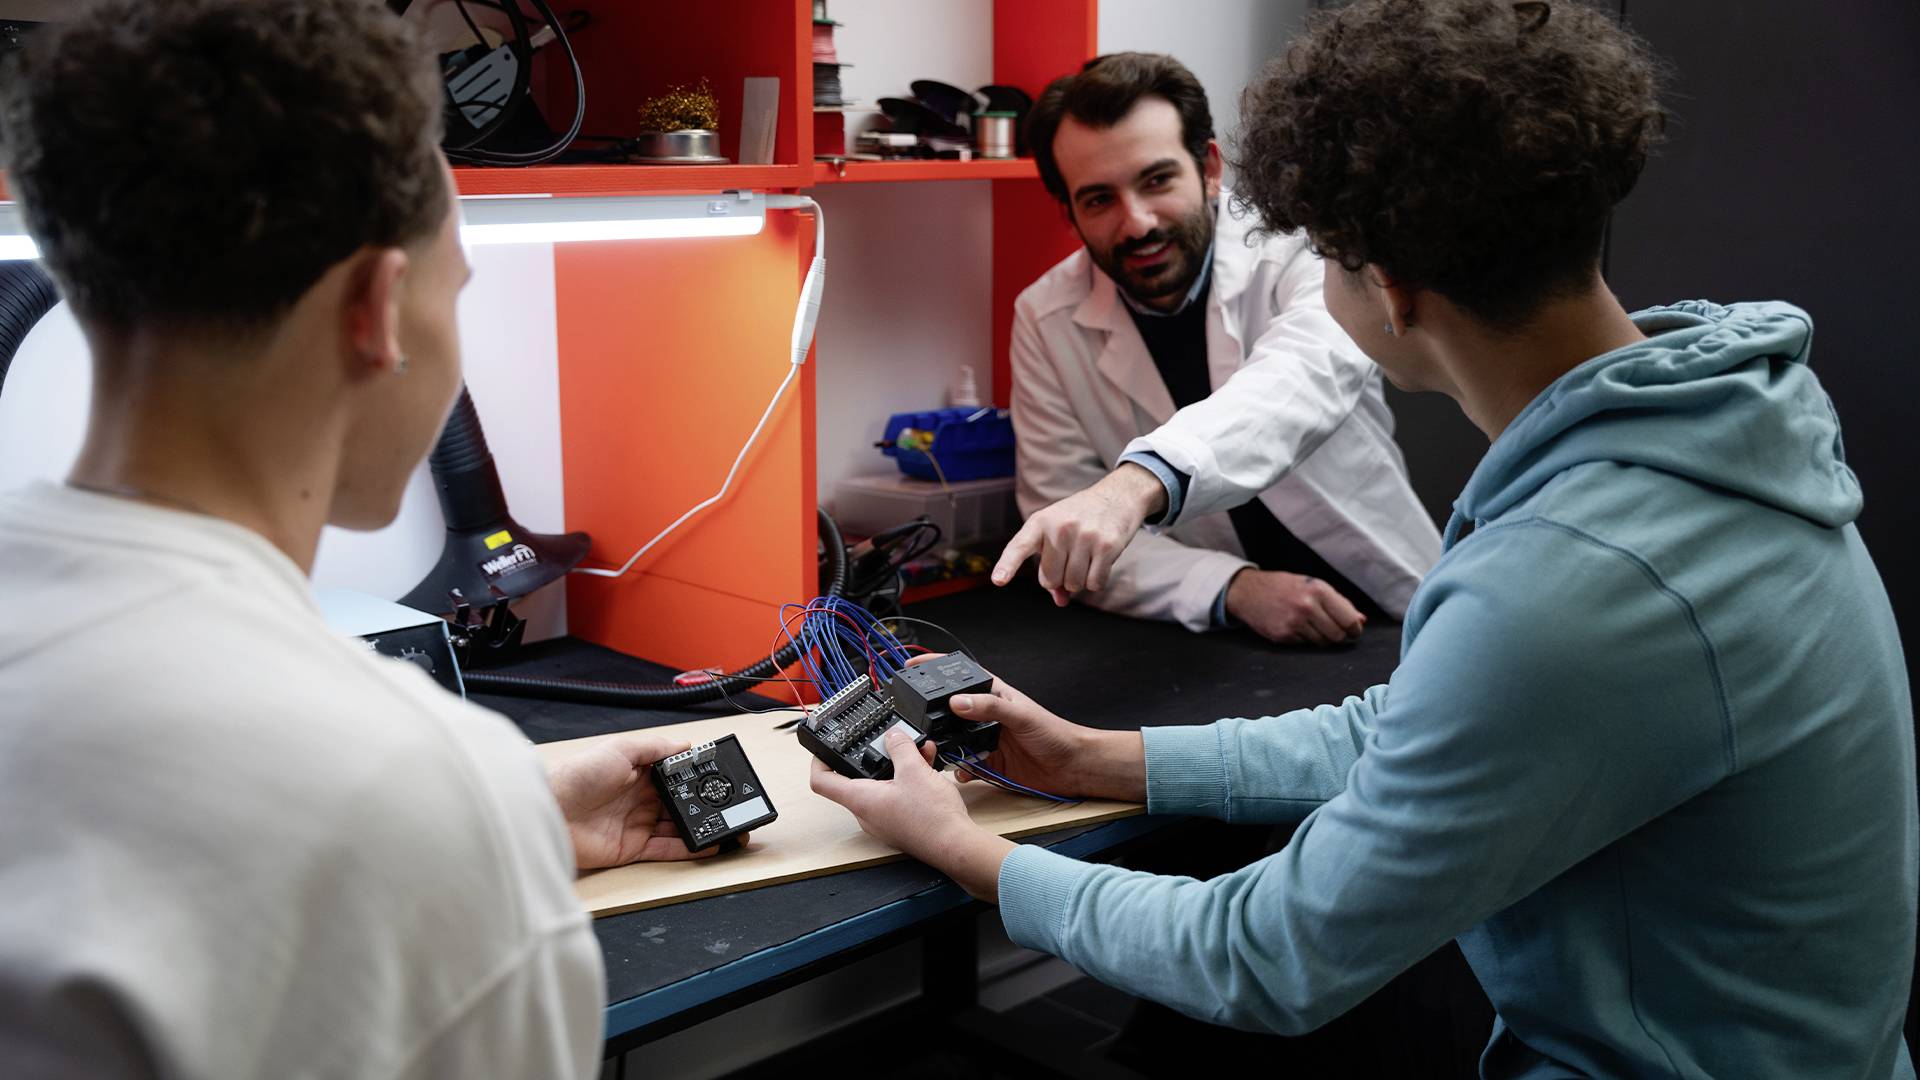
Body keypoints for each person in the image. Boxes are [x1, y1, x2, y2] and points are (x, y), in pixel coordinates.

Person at [815, 1, 1918, 1075]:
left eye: (1326, 257)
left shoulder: (1575, 583)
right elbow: (1416, 728)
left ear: (1384, 285)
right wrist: (1094, 758)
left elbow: (1266, 955)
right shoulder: (1711, 440)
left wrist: (966, 853)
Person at [0, 3, 740, 1076]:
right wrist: (463, 824)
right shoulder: (402, 790)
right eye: (458, 289)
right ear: (377, 310)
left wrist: (503, 810)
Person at [997, 53, 1442, 646]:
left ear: (1208, 166)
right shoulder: (1044, 317)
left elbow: (1298, 383)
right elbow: (1066, 529)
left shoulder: (1301, 249)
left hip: (1390, 609)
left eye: (1157, 181)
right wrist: (1231, 588)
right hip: (1217, 638)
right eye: (1099, 199)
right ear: (1070, 212)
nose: (1137, 224)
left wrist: (1134, 486)